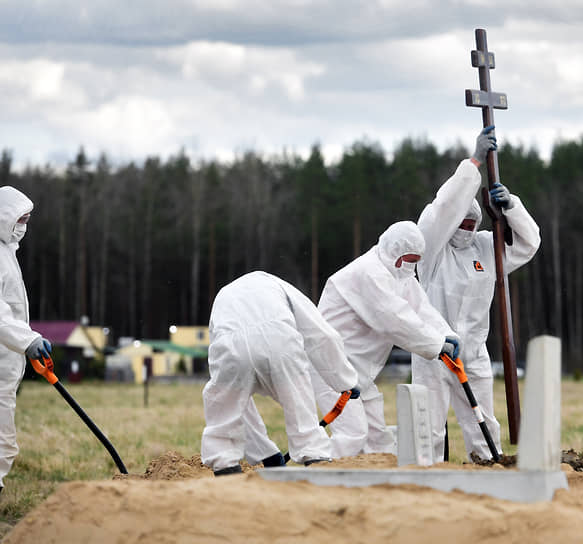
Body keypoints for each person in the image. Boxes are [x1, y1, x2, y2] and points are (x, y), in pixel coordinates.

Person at [413, 126, 541, 462]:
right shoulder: (431, 250)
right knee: (428, 426)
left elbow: (529, 244)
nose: (466, 230)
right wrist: (474, 163)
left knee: (483, 422)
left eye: (472, 224)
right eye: (461, 223)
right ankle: (426, 479)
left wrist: (512, 206)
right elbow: (443, 208)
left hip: (474, 351)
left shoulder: (487, 247)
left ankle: (486, 468)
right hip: (433, 350)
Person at [310, 221, 460, 458]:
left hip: (357, 371)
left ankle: (374, 488)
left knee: (377, 438)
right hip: (329, 365)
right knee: (353, 434)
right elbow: (393, 319)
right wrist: (434, 344)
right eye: (408, 259)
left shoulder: (399, 272)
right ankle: (319, 476)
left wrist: (446, 333)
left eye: (414, 261)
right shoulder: (368, 272)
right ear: (394, 251)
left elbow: (420, 308)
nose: (410, 266)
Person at [201, 271, 360, 475]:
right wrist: (344, 381)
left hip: (230, 346)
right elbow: (322, 335)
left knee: (228, 405)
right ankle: (315, 457)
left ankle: (226, 467)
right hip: (278, 343)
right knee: (299, 406)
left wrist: (266, 456)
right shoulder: (279, 286)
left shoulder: (224, 294)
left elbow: (217, 351)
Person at [0, 186, 53, 492]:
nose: (24, 227)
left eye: (28, 221)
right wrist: (28, 340)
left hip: (7, 371)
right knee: (3, 446)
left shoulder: (8, 253)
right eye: (21, 219)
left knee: (5, 446)